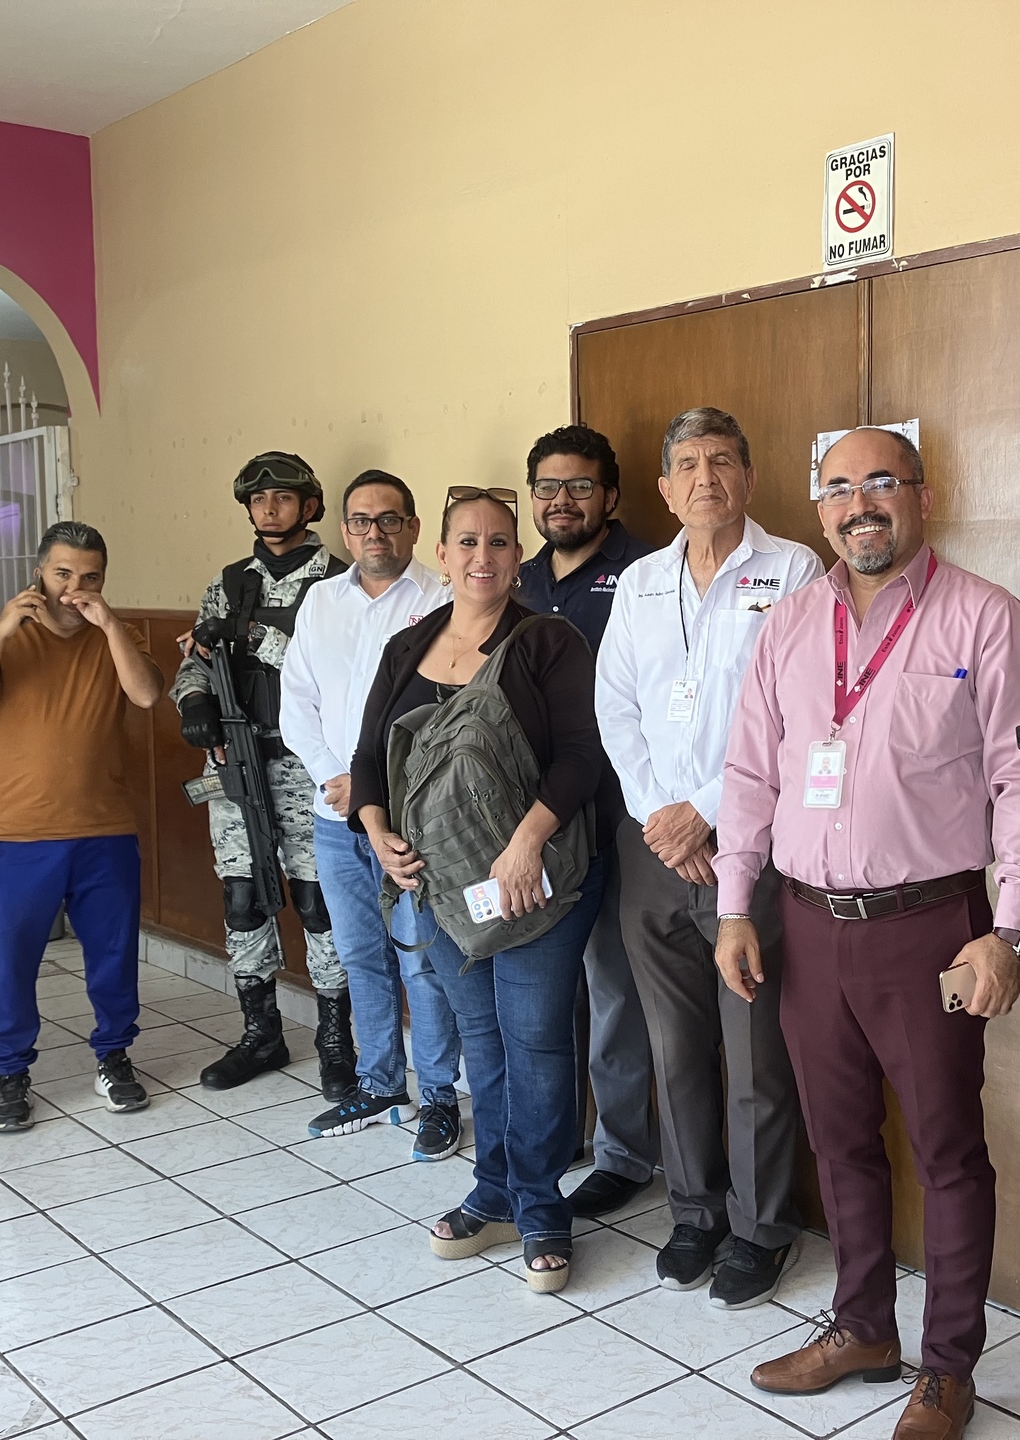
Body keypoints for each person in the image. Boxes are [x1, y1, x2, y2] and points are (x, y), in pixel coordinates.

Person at [719, 427, 1020, 1440]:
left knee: (948, 1152)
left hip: (931, 930)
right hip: (806, 923)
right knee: (838, 1142)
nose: (859, 504)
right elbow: (750, 771)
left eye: (881, 482)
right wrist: (735, 905)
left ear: (921, 494)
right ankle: (863, 1328)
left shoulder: (985, 616)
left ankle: (948, 1369)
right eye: (838, 488)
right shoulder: (788, 623)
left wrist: (1010, 931)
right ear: (817, 507)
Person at [594, 405, 822, 1301]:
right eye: (687, 464)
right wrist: (663, 815)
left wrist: (709, 813)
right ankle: (695, 1212)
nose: (705, 478)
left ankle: (762, 1228)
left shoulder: (795, 571)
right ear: (663, 487)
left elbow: (801, 713)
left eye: (721, 460)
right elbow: (616, 706)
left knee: (755, 1047)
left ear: (749, 477)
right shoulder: (641, 582)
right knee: (675, 1043)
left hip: (753, 847)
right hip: (653, 847)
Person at [351, 487, 604, 1292]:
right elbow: (368, 758)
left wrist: (526, 843)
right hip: (445, 892)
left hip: (535, 883)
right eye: (467, 542)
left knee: (534, 1040)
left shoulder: (548, 642)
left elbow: (583, 754)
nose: (482, 556)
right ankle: (492, 1190)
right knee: (483, 1043)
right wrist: (376, 830)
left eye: (499, 542)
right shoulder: (407, 646)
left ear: (518, 557)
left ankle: (539, 1205)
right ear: (442, 554)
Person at [0, 521, 166, 1132]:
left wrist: (110, 625)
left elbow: (147, 695)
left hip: (106, 827)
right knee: (14, 960)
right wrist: (2, 631)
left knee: (113, 954)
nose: (74, 588)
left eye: (89, 577)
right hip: (21, 832)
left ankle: (114, 1057)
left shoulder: (114, 635)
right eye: (62, 573)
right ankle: (12, 1073)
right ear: (39, 572)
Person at [279, 470, 461, 1158]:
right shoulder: (321, 600)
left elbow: (450, 716)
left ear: (413, 527)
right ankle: (381, 1083)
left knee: (421, 961)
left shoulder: (443, 600)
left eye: (389, 519)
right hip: (335, 816)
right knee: (360, 955)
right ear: (345, 531)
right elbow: (297, 700)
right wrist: (337, 777)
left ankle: (439, 1096)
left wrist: (372, 789)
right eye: (360, 521)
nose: (374, 532)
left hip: (412, 820)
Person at [515, 422, 661, 1218]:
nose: (561, 500)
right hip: (531, 825)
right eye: (547, 487)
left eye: (579, 486)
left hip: (615, 819)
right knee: (546, 989)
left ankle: (624, 1153)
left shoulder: (647, 573)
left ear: (610, 495)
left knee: (614, 989)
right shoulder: (518, 578)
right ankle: (555, 1134)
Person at [172, 452, 351, 1094]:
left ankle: (336, 1039)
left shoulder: (339, 581)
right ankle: (261, 1033)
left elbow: (333, 669)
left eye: (283, 498)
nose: (269, 509)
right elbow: (196, 658)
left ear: (310, 505)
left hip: (311, 765)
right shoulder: (227, 584)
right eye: (258, 499)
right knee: (243, 897)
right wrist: (195, 702)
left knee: (318, 901)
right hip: (237, 762)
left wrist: (251, 637)